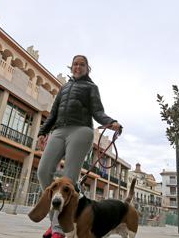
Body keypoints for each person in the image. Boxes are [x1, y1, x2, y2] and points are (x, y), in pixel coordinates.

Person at [36, 55, 121, 238]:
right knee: (43, 171)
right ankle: (58, 219)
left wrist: (111, 122)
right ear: (71, 67)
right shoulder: (64, 88)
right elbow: (53, 113)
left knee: (68, 178)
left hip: (81, 130)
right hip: (59, 130)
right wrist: (42, 132)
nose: (78, 67)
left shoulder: (91, 87)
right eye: (75, 64)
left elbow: (97, 111)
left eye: (82, 64)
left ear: (87, 68)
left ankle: (58, 228)